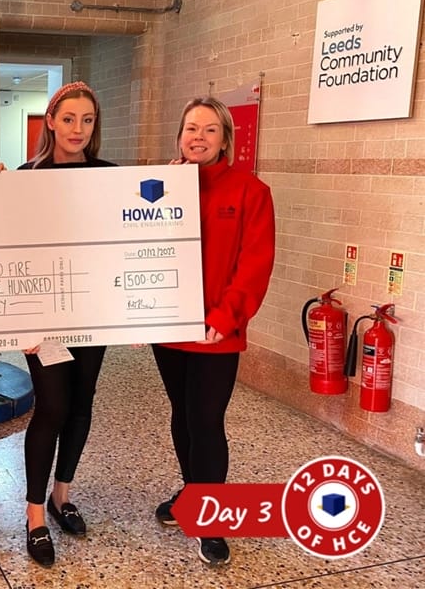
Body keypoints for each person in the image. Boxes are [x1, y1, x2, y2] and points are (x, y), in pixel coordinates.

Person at [152, 97, 275, 567]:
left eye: (208, 130)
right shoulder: (160, 188)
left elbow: (254, 263)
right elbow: (141, 249)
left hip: (216, 332)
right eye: (190, 129)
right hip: (169, 327)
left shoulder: (251, 191)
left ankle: (212, 517)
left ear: (225, 139)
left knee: (206, 421)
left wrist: (225, 318)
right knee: (182, 415)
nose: (198, 137)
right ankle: (192, 494)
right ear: (179, 136)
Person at [14, 81, 115, 567]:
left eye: (87, 120)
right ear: (50, 121)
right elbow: (5, 246)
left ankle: (61, 496)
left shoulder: (109, 177)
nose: (78, 129)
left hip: (92, 311)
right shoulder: (25, 177)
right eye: (69, 118)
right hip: (44, 319)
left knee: (80, 406)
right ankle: (34, 514)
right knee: (52, 407)